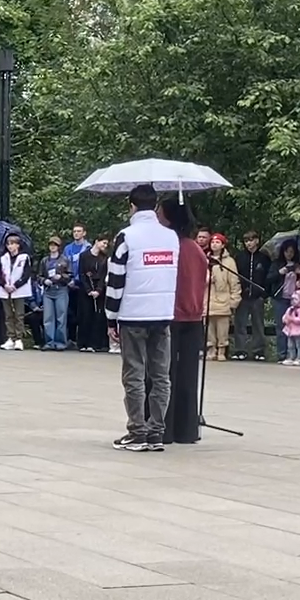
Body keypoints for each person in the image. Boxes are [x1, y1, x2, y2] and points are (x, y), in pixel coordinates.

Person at [105, 184, 179, 451]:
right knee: (161, 375)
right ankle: (156, 431)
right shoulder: (171, 237)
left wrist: (111, 317)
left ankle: (137, 431)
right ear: (156, 204)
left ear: (131, 205)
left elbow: (115, 280)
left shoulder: (126, 237)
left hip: (133, 315)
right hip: (162, 314)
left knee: (134, 374)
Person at [161, 200, 207, 444]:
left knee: (164, 375)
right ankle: (187, 429)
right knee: (189, 375)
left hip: (172, 315)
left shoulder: (170, 247)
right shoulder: (196, 249)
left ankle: (164, 428)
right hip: (194, 317)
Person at [231, 231, 272, 360]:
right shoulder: (240, 257)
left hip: (257, 296)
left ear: (257, 241)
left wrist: (264, 294)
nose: (248, 243)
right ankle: (239, 350)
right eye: (246, 241)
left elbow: (268, 277)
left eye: (251, 240)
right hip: (242, 296)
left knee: (258, 324)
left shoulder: (264, 258)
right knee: (240, 324)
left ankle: (258, 351)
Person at [204, 233, 239, 361]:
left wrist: (234, 300)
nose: (214, 244)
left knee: (222, 329)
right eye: (212, 242)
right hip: (207, 300)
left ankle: (222, 350)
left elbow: (234, 281)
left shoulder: (229, 262)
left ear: (223, 245)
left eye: (218, 242)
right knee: (209, 329)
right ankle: (211, 350)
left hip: (223, 300)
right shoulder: (205, 260)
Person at [0, 232, 32, 350]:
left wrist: (15, 285)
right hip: (5, 290)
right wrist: (5, 285)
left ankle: (19, 338)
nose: (10, 246)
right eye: (8, 244)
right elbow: (0, 275)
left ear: (18, 245)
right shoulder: (3, 258)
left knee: (19, 315)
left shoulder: (24, 257)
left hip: (19, 290)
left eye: (12, 244)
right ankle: (10, 338)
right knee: (8, 315)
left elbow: (26, 274)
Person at [74, 237, 109, 351]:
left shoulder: (104, 258)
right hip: (86, 289)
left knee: (97, 316)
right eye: (103, 243)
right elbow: (82, 274)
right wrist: (88, 290)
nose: (105, 246)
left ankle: (94, 343)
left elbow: (103, 275)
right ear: (96, 242)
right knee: (85, 315)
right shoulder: (84, 256)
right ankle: (82, 343)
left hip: (99, 290)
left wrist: (98, 290)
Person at [270, 239, 300, 362]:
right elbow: (269, 279)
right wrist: (280, 272)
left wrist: (299, 274)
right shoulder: (277, 264)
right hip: (280, 298)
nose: (289, 254)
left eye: (291, 252)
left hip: (296, 300)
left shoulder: (299, 264)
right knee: (281, 326)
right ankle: (282, 354)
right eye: (287, 251)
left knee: (298, 328)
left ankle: (296, 354)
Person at [38, 237, 72, 350]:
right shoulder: (44, 260)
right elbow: (39, 276)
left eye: (55, 245)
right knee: (48, 318)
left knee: (61, 317)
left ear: (58, 247)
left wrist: (61, 276)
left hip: (61, 290)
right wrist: (44, 281)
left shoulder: (65, 260)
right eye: (51, 245)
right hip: (48, 291)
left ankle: (61, 342)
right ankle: (49, 342)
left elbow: (70, 276)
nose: (52, 247)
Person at [281, 286, 300, 365]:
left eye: (295, 299)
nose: (293, 301)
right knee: (290, 345)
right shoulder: (290, 309)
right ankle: (291, 357)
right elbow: (285, 317)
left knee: (299, 345)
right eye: (292, 299)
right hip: (290, 330)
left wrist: (292, 319)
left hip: (299, 331)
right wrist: (285, 319)